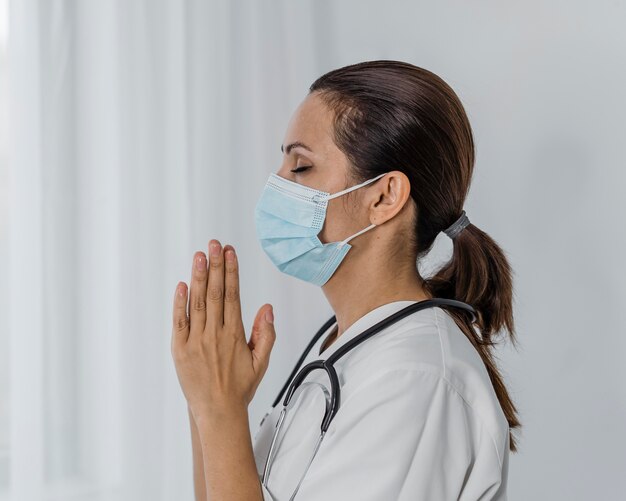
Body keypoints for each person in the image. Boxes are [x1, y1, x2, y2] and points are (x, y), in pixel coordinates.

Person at [172, 59, 520, 501]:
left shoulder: (414, 378)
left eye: (300, 167)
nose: (276, 186)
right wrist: (206, 401)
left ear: (384, 196)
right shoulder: (349, 348)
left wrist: (219, 412)